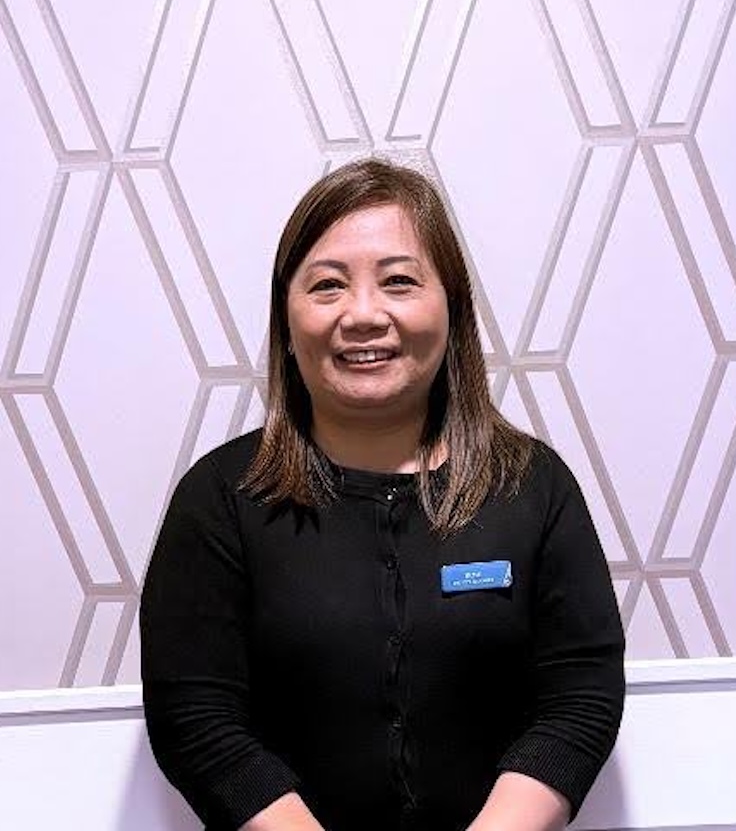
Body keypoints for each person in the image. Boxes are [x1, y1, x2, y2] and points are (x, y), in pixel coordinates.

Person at [140, 158, 625, 831]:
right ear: (286, 319)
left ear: (452, 308)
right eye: (327, 287)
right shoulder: (220, 499)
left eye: (399, 281)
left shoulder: (533, 486)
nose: (363, 315)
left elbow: (580, 696)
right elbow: (196, 720)